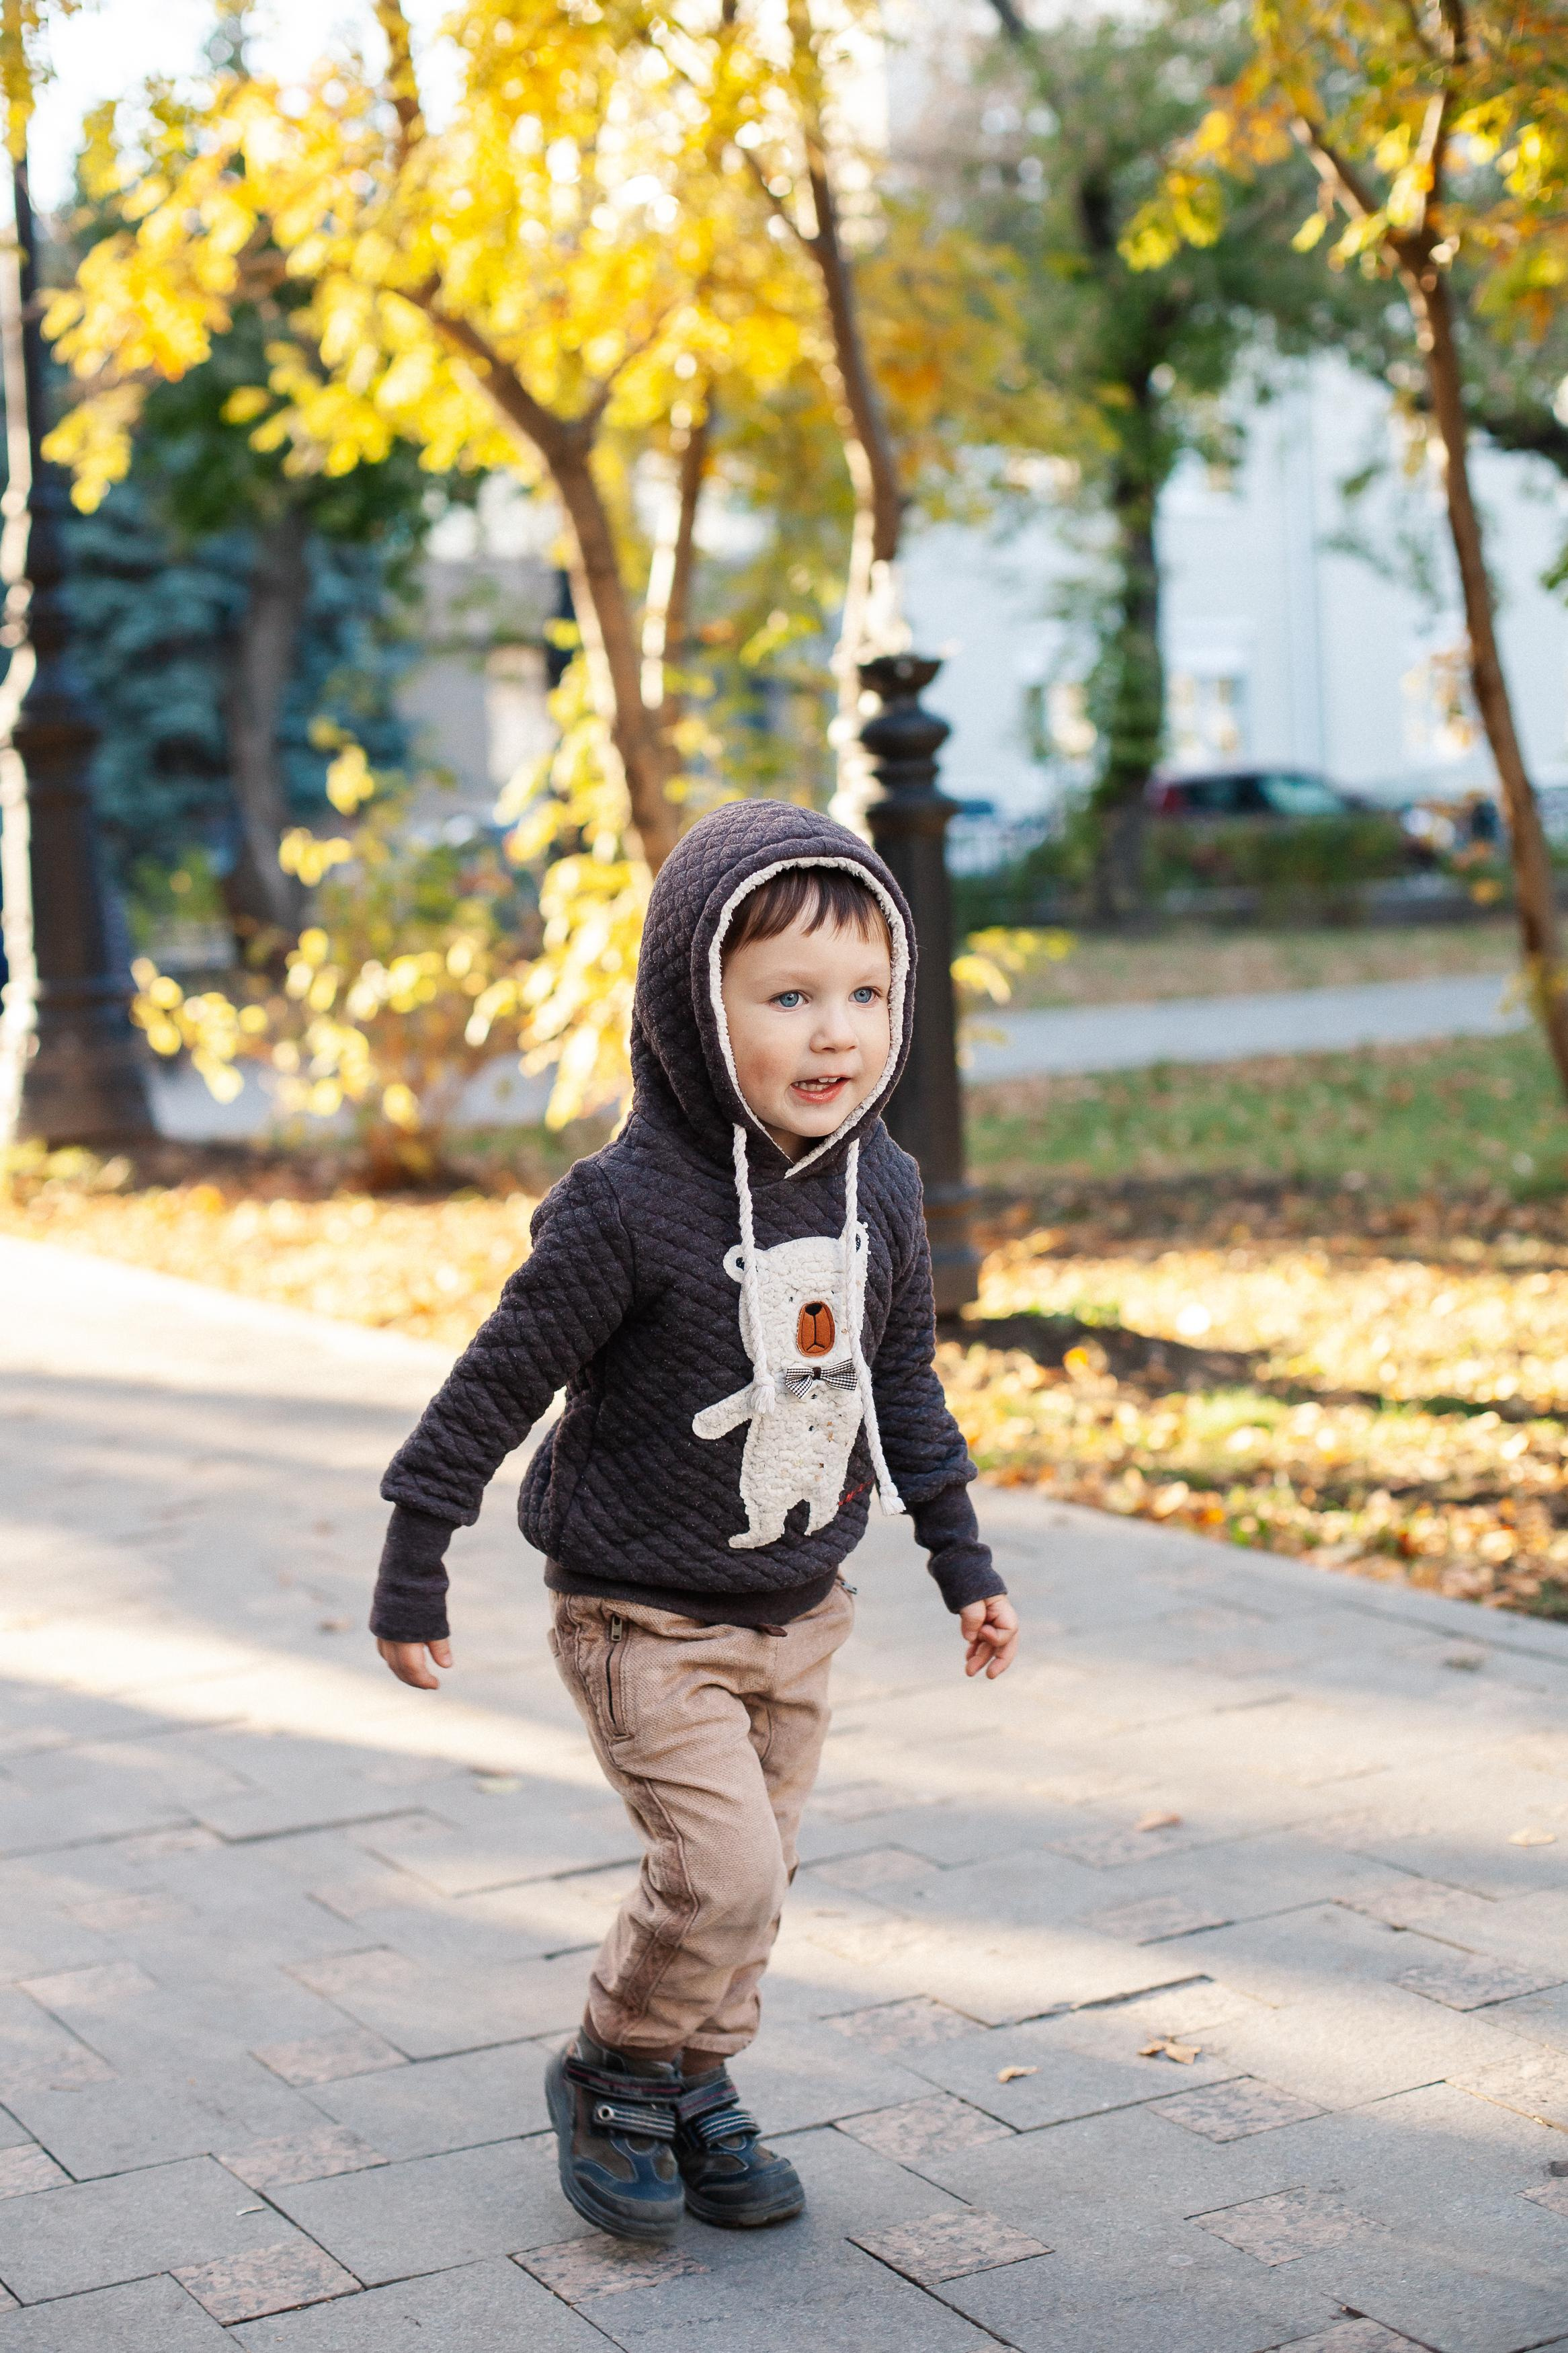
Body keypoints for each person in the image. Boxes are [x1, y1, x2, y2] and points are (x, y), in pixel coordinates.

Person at [368, 798, 1020, 2243]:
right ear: (694, 1005)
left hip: (802, 1609)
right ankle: (612, 2066)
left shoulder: (886, 1191)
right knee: (719, 1869)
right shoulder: (624, 1206)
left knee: (757, 1883)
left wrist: (961, 1557)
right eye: (788, 997)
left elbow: (897, 1384)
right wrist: (418, 1553)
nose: (835, 1033)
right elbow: (498, 1380)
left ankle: (694, 2076)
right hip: (639, 1616)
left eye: (866, 995)